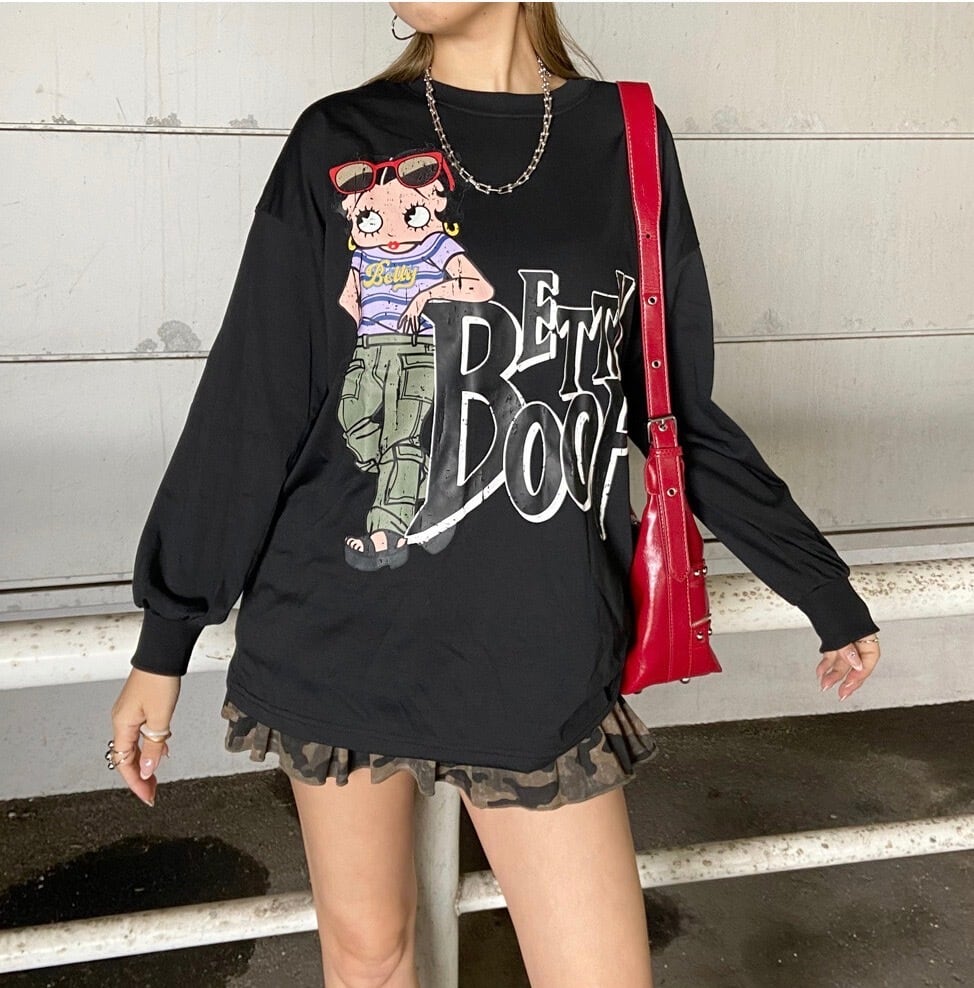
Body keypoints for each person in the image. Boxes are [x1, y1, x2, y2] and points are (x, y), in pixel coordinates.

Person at [106, 4, 882, 986]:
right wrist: (166, 635)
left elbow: (674, 411)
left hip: (537, 644)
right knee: (370, 954)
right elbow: (252, 399)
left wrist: (817, 584)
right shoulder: (339, 138)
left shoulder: (626, 140)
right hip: (339, 625)